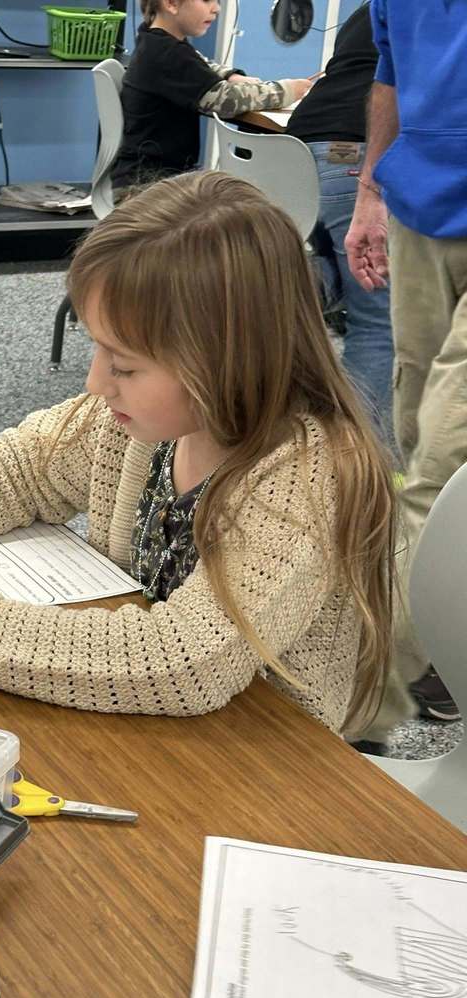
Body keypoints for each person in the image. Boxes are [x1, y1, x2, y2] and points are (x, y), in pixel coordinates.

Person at [0, 171, 395, 738]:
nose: (95, 381)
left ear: (226, 361)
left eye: (125, 364)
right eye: (98, 349)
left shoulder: (309, 474)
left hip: (261, 755)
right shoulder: (144, 420)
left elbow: (185, 661)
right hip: (138, 718)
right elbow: (22, 469)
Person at [345, 0, 467, 733]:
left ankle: (373, 687)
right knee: (416, 436)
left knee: (445, 458)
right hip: (420, 209)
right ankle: (440, 636)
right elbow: (390, 78)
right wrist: (369, 192)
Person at [287, 1, 395, 454]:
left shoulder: (371, 10)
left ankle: (263, 301)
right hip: (349, 155)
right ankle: (356, 456)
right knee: (377, 320)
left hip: (295, 148)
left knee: (325, 279)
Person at [110, 0, 312, 191]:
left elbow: (199, 64)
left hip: (150, 176)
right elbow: (225, 100)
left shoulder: (155, 39)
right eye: (207, 0)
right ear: (171, 3)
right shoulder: (167, 53)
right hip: (147, 186)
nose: (216, 9)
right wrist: (287, 90)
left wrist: (230, 75)